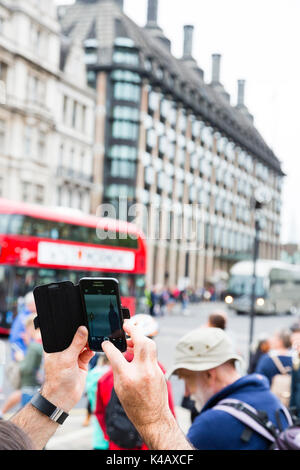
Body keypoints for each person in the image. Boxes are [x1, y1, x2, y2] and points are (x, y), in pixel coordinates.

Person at [102, 324, 291, 450]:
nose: (186, 391)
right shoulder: (272, 401)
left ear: (209, 374)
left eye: (187, 379)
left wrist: (151, 422)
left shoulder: (211, 425)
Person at [95, 314, 175, 450]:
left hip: (117, 446)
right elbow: (169, 413)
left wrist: (110, 436)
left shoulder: (108, 375)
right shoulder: (158, 372)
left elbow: (100, 412)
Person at [1, 292, 37, 416]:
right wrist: (23, 355)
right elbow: (14, 340)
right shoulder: (24, 318)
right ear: (31, 304)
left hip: (29, 359)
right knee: (23, 390)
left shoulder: (30, 315)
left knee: (27, 391)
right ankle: (3, 412)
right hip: (26, 359)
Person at [17, 314, 43, 407]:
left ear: (32, 327)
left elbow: (26, 369)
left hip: (30, 388)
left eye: (26, 328)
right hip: (41, 387)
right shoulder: (44, 342)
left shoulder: (34, 346)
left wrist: (20, 360)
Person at [85, 354, 110, 450]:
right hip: (109, 416)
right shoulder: (110, 374)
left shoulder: (92, 374)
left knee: (98, 428)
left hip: (95, 408)